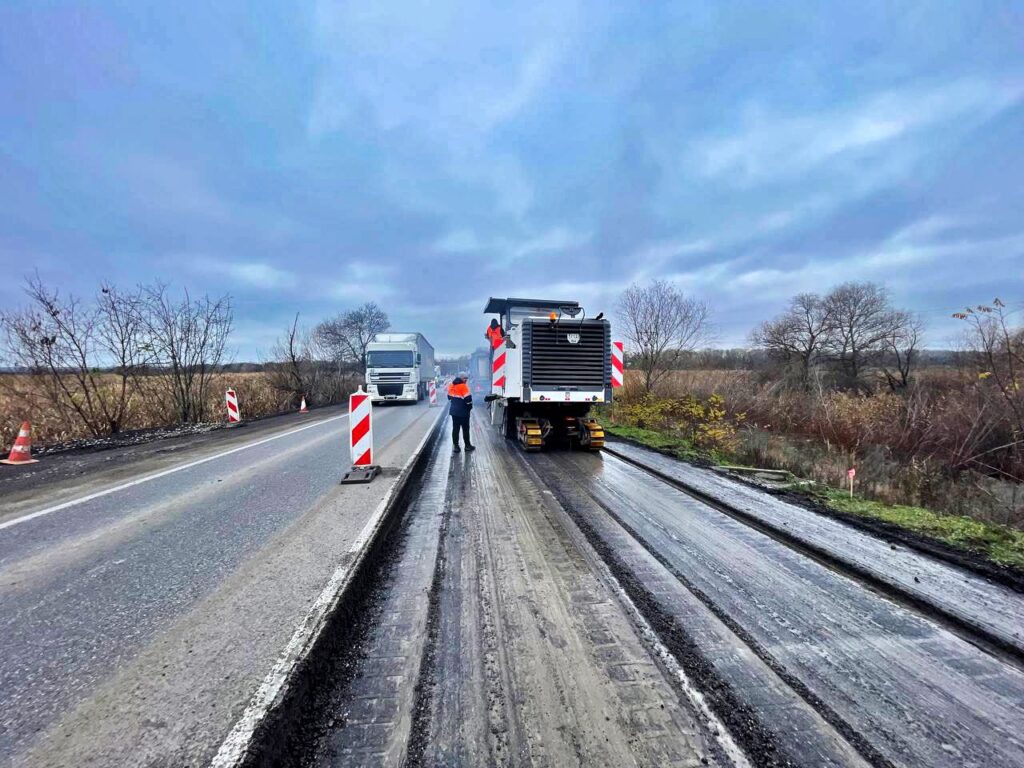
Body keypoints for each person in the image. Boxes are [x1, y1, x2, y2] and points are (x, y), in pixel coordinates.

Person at [447, 374, 475, 452]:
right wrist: (469, 407)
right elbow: (468, 399)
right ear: (461, 378)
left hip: (454, 412)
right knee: (465, 429)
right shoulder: (463, 386)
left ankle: (456, 447)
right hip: (463, 412)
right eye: (464, 378)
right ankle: (467, 446)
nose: (466, 380)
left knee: (455, 429)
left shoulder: (452, 385)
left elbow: (449, 397)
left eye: (467, 378)